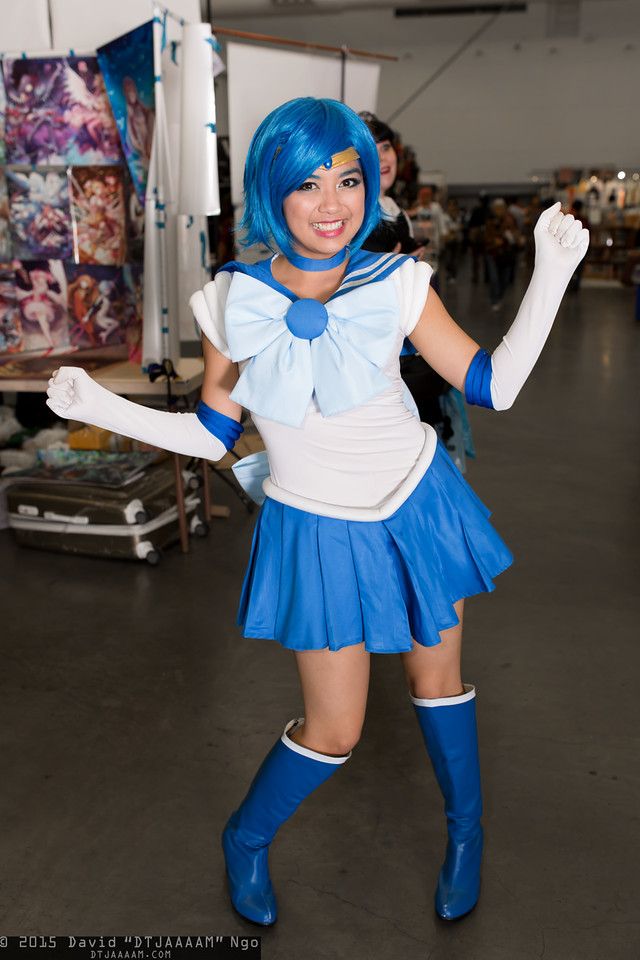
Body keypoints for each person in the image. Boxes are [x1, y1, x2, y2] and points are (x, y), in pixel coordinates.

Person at [46, 97, 589, 929]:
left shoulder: (396, 281)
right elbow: (210, 431)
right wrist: (99, 404)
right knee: (335, 729)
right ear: (272, 191)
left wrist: (551, 274)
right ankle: (247, 839)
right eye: (306, 183)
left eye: (346, 178)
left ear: (369, 184)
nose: (331, 202)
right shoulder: (235, 298)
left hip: (415, 503)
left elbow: (494, 386)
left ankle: (466, 836)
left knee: (436, 682)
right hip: (317, 526)